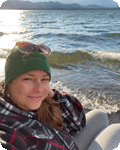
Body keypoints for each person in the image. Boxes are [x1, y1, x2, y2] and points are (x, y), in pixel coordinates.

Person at [0, 41, 120, 150]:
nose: (39, 88)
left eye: (44, 79)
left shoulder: (36, 106)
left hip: (66, 143)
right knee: (116, 130)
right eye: (28, 79)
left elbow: (77, 122)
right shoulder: (8, 128)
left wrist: (48, 93)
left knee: (100, 115)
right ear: (8, 84)